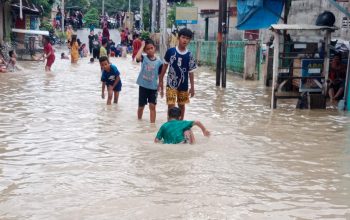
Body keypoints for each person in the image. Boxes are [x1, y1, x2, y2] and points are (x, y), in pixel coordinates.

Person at [158, 28, 197, 120]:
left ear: (189, 40)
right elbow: (164, 66)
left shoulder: (190, 55)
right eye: (183, 37)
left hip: (183, 85)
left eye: (187, 38)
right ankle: (169, 124)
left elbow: (191, 72)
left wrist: (192, 87)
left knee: (182, 106)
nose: (185, 40)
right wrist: (160, 81)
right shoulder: (171, 52)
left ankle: (180, 124)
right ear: (179, 38)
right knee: (171, 105)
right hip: (171, 84)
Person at [135, 39, 163, 123]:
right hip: (143, 86)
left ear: (155, 48)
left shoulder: (159, 62)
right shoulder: (144, 58)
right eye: (147, 49)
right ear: (145, 50)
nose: (150, 50)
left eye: (151, 48)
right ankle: (139, 122)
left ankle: (152, 125)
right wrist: (142, 46)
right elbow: (137, 58)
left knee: (152, 106)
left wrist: (161, 87)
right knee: (141, 107)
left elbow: (160, 76)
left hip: (153, 88)